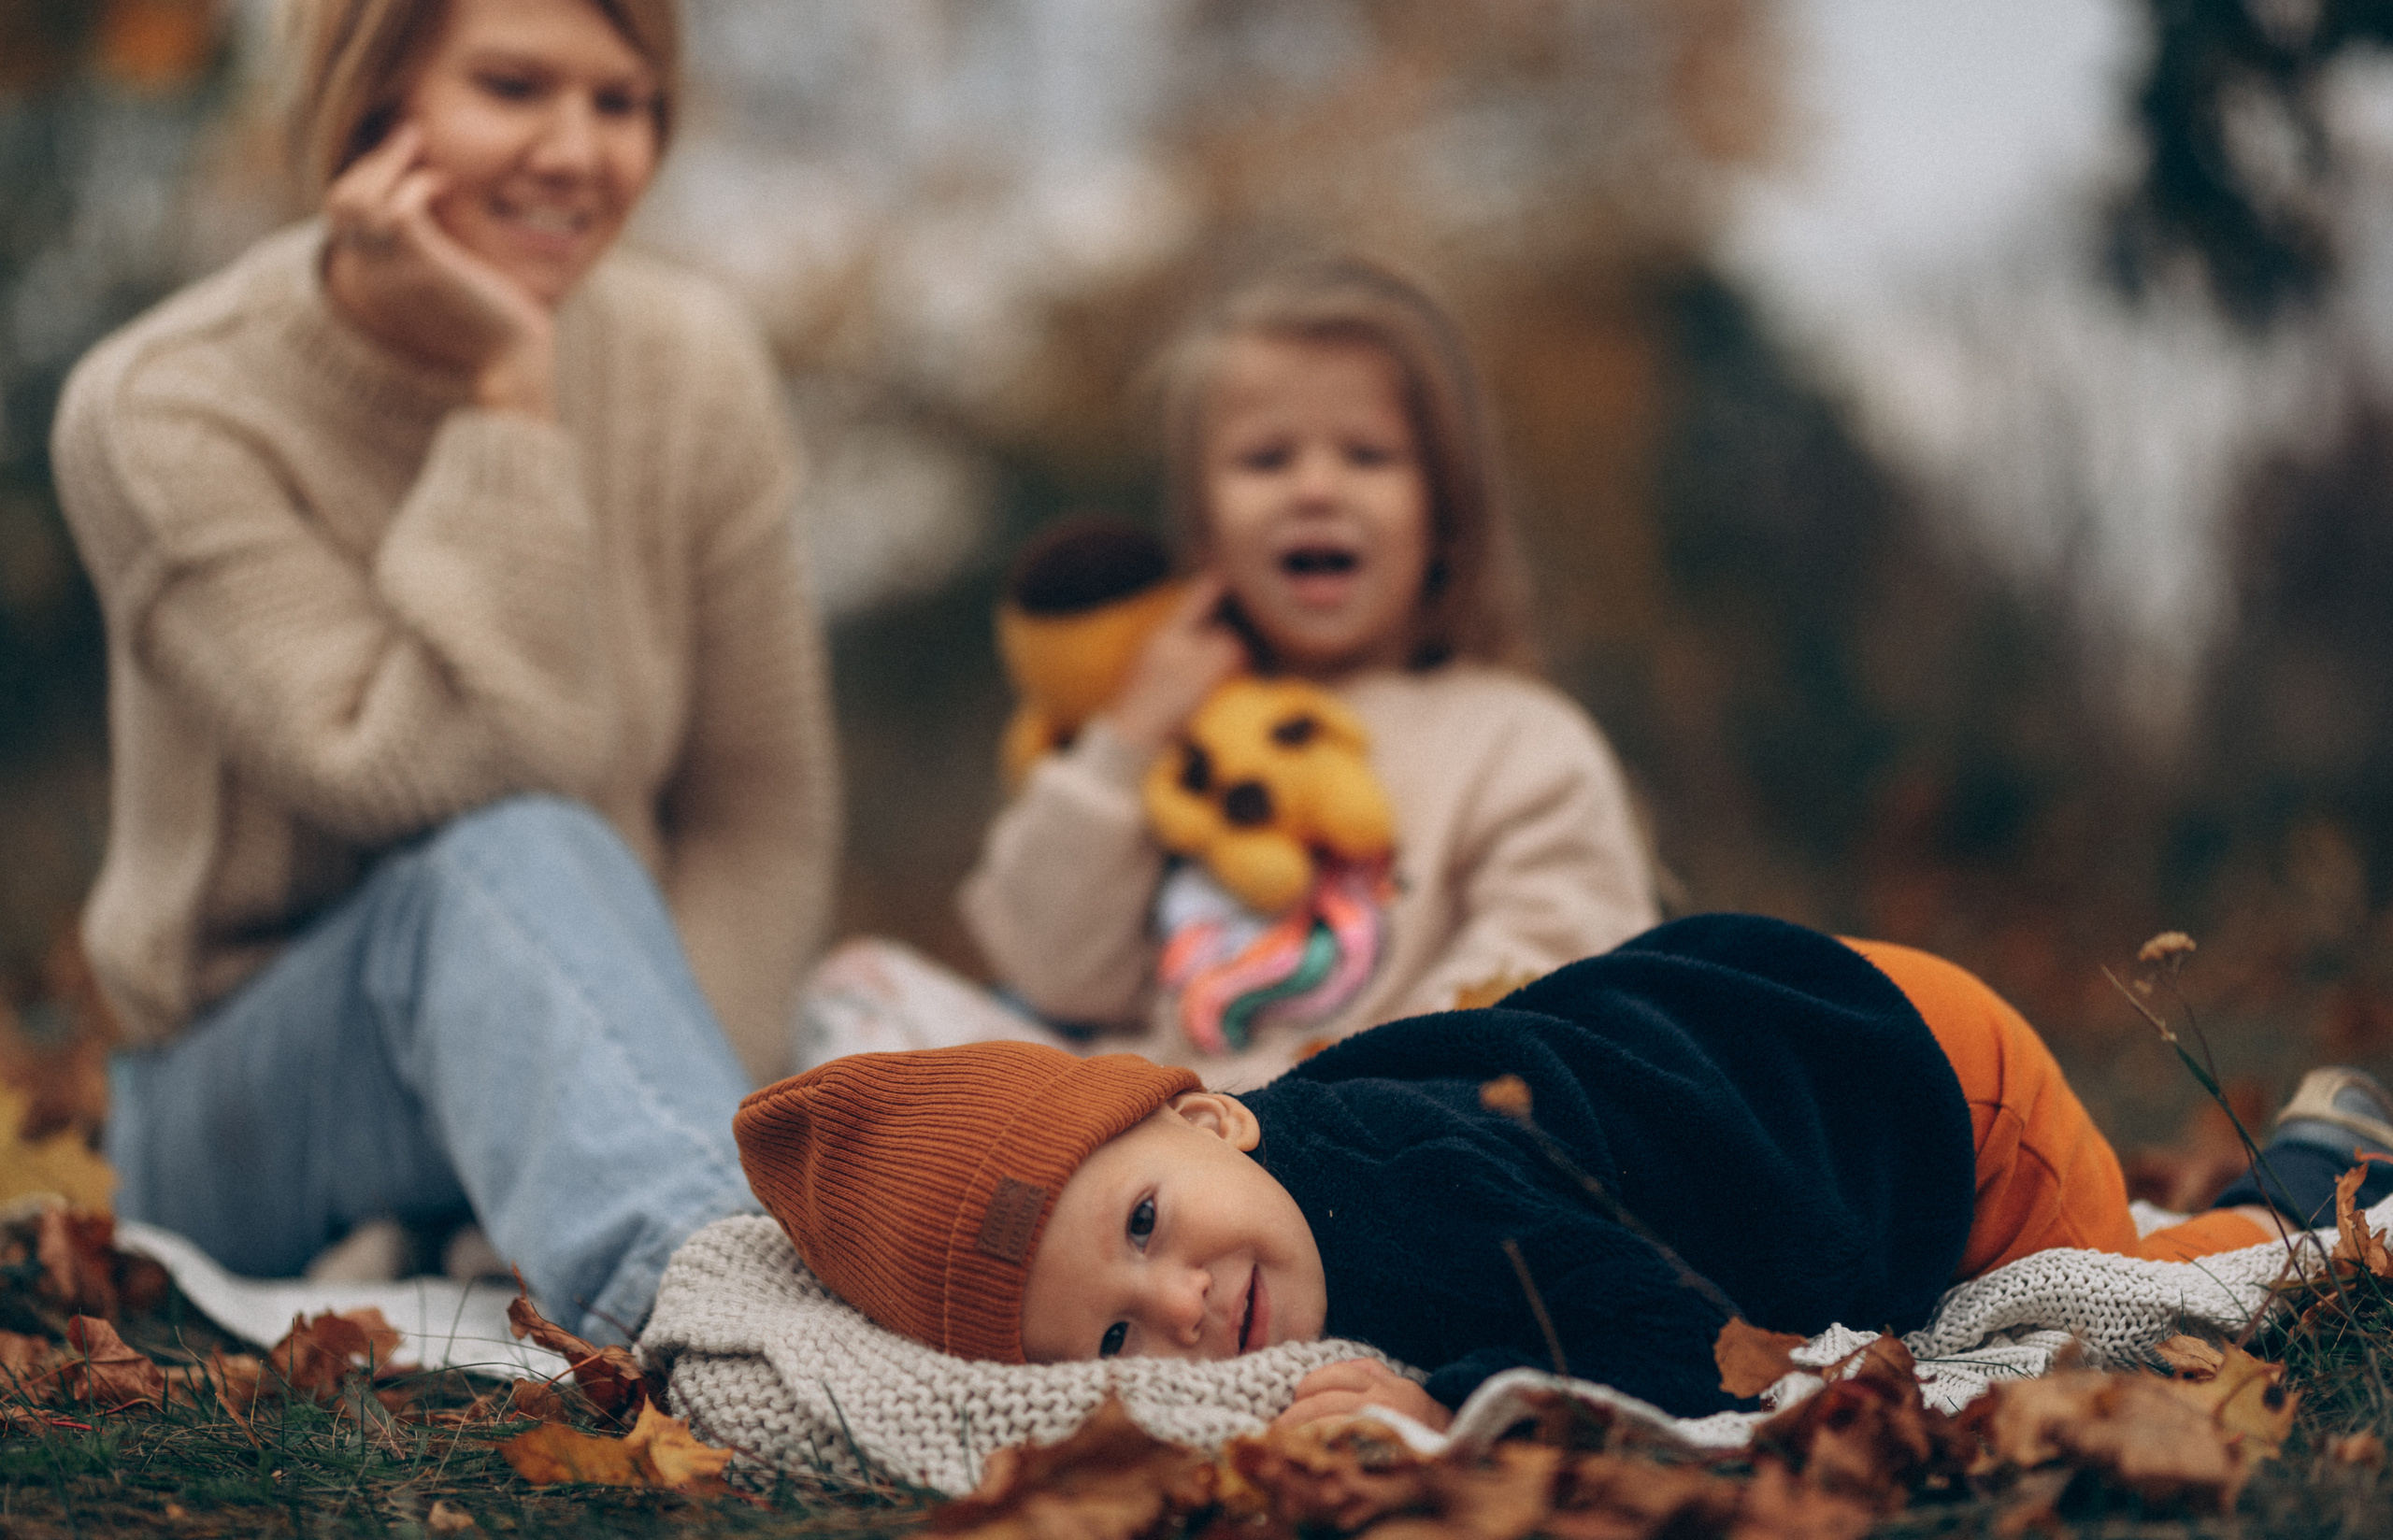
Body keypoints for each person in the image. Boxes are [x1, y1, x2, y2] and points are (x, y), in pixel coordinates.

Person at [50, 0, 836, 1340]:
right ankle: (741, 1325)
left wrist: (652, 1084)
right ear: (371, 105)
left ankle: (681, 1220)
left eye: (622, 101)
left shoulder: (693, 367)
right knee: (514, 848)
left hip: (589, 1037)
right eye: (515, 87)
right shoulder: (160, 408)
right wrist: (509, 398)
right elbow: (446, 768)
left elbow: (758, 810)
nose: (579, 151)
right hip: (245, 1094)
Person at [737, 915, 2393, 1425]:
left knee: (2121, 1302)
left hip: (1912, 1084)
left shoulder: (1403, 1168)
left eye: (1149, 1225)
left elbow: (1648, 1330)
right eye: (1107, 1339)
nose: (1178, 1307)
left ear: (1210, 1113)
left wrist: (1417, 1389)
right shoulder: (1284, 1212)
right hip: (1761, 1031)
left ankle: (2313, 1169)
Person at [958, 258, 1658, 1086]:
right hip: (1159, 1148)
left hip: (1390, 1141)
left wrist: (1326, 1094)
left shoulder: (1518, 740)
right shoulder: (1170, 739)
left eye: (1368, 455)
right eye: (1265, 460)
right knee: (864, 984)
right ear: (1205, 530)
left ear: (1445, 516)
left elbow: (1556, 970)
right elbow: (1049, 972)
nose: (1316, 489)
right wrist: (1129, 737)